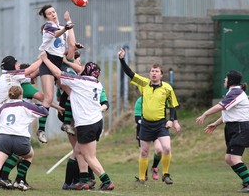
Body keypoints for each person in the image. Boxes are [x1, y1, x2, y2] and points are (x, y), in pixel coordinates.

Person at [40, 52, 115, 191]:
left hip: (86, 123)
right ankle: (84, 180)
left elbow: (57, 73)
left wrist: (45, 59)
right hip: (97, 122)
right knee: (78, 151)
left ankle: (107, 181)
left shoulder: (80, 82)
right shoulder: (97, 84)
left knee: (89, 156)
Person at [118, 47, 180, 185]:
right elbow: (130, 73)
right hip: (146, 124)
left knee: (167, 148)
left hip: (160, 124)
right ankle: (141, 178)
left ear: (161, 75)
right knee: (144, 152)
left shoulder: (167, 88)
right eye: (152, 71)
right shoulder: (144, 84)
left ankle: (166, 174)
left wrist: (171, 120)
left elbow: (172, 105)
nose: (154, 73)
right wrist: (122, 60)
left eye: (156, 71)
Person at [0, 86, 49, 195]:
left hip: (4, 139)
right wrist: (44, 104)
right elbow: (44, 112)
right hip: (21, 139)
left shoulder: (3, 107)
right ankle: (19, 180)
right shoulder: (26, 105)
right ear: (21, 95)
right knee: (28, 155)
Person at [0, 56, 42, 190]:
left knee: (2, 151)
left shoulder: (9, 76)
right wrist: (44, 57)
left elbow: (32, 73)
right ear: (13, 66)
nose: (19, 65)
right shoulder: (12, 75)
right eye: (17, 63)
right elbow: (30, 70)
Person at [196, 70, 249, 193]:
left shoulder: (236, 92)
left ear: (230, 81)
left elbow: (221, 106)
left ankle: (248, 183)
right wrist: (215, 124)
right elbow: (228, 113)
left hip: (240, 127)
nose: (224, 80)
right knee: (228, 159)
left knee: (235, 158)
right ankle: (246, 181)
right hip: (233, 127)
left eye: (226, 78)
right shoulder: (232, 92)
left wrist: (205, 114)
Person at [36, 4, 74, 143]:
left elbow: (67, 44)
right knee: (49, 97)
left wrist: (68, 23)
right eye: (49, 13)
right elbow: (56, 33)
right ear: (46, 17)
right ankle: (41, 130)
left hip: (59, 62)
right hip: (47, 62)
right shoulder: (48, 26)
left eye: (53, 11)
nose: (53, 14)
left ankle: (66, 123)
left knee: (72, 92)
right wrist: (65, 28)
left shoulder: (63, 26)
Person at [134, 96, 162, 181]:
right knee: (144, 152)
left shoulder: (158, 99)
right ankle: (144, 175)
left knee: (159, 149)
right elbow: (137, 119)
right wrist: (147, 123)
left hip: (156, 128)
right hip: (143, 129)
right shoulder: (140, 100)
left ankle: (154, 167)